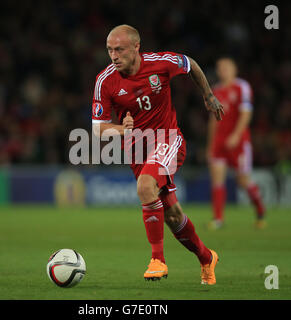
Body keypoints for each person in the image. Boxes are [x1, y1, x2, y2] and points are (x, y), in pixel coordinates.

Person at [92, 24, 224, 284]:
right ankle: (207, 257)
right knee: (173, 215)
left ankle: (157, 261)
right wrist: (120, 129)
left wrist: (208, 95)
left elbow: (191, 64)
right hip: (137, 150)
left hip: (168, 139)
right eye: (109, 50)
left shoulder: (161, 63)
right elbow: (98, 129)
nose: (114, 56)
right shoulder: (105, 81)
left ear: (136, 47)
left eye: (119, 49)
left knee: (144, 187)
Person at [206, 57, 266, 230]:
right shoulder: (215, 90)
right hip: (219, 142)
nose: (222, 70)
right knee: (217, 180)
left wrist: (236, 135)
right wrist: (210, 145)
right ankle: (218, 219)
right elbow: (213, 120)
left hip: (239, 142)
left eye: (226, 67)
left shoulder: (242, 87)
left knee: (243, 181)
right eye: (220, 67)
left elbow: (246, 114)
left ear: (235, 69)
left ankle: (260, 210)